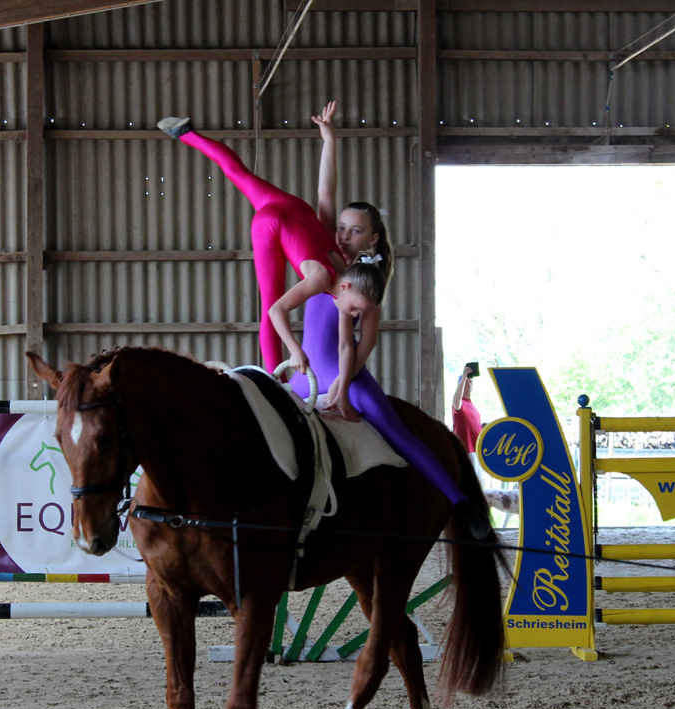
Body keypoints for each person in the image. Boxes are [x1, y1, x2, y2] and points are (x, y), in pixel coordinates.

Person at [158, 108, 490, 539]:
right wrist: (328, 139)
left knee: (395, 428)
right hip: (301, 377)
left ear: (371, 239)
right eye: (342, 227)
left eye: (354, 232)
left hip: (344, 375)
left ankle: (461, 503)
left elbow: (364, 343)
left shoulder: (365, 286)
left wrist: (342, 386)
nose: (342, 235)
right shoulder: (321, 248)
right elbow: (325, 186)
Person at [157, 113, 386, 374]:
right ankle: (277, 381)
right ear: (345, 287)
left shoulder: (344, 260)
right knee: (269, 305)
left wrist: (329, 139)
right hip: (269, 224)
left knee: (237, 171)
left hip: (294, 207)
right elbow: (277, 311)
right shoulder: (323, 278)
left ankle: (186, 134)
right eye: (356, 308)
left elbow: (326, 191)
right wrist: (295, 350)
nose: (355, 314)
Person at [452, 365, 483, 458]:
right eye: (466, 382)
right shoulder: (460, 404)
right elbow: (456, 401)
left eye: (470, 382)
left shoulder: (473, 406)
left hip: (478, 450)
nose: (468, 385)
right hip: (467, 451)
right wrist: (464, 376)